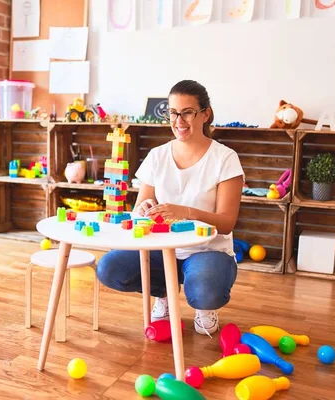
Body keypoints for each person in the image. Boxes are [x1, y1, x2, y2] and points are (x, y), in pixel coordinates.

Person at [96, 80, 245, 336]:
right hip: (161, 249)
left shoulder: (225, 158)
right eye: (173, 113)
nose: (179, 121)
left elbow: (226, 222)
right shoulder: (157, 156)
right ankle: (163, 292)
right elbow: (139, 209)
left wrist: (186, 212)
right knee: (109, 268)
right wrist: (142, 209)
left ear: (205, 114)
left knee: (205, 292)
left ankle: (204, 307)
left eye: (187, 112)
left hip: (207, 250)